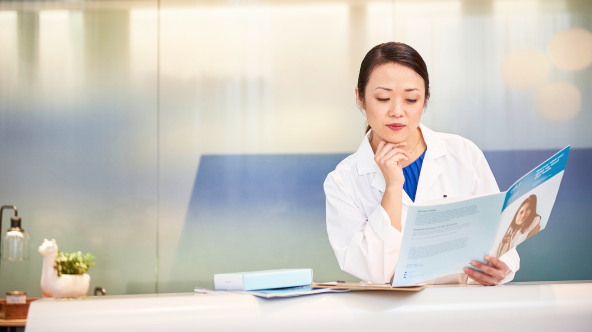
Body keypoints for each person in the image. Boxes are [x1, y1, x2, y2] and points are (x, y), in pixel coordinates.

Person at [324, 42, 519, 286]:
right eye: (383, 98)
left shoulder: (463, 154)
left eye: (411, 99)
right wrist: (393, 188)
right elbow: (374, 271)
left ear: (425, 100)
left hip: (461, 311)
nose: (397, 111)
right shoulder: (342, 181)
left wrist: (503, 267)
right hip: (388, 316)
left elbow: (501, 236)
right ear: (360, 98)